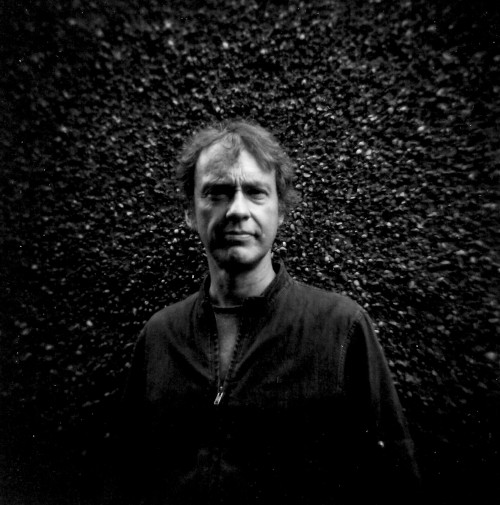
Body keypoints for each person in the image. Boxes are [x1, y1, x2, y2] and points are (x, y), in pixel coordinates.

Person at [116, 120, 420, 505]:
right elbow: (127, 478)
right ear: (190, 212)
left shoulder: (341, 328)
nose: (237, 210)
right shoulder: (159, 336)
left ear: (281, 211)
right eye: (217, 192)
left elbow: (395, 482)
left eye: (256, 192)